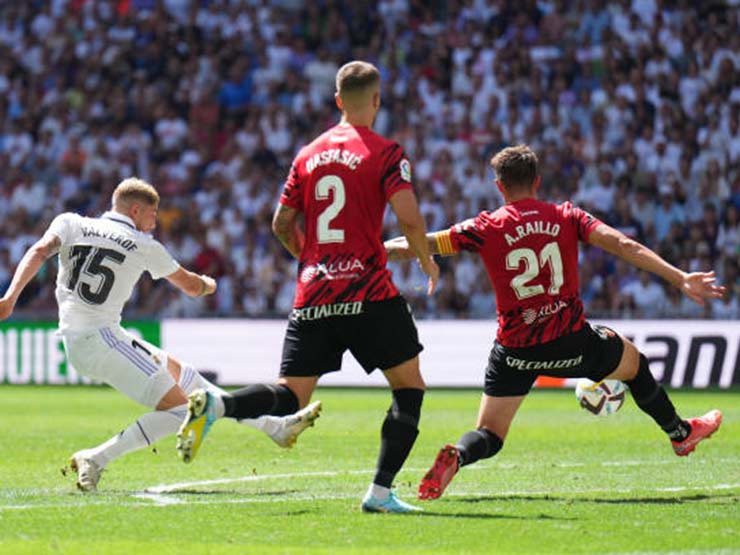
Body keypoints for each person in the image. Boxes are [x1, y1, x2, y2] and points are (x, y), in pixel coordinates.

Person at [384, 145, 724, 501]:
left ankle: (460, 455)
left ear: (500, 187)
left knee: (490, 433)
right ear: (538, 181)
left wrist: (372, 251)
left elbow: (420, 243)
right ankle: (679, 432)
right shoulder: (566, 216)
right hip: (571, 341)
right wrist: (679, 276)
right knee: (634, 363)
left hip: (514, 351)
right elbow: (624, 245)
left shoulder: (484, 226)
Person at [177, 60, 440, 514]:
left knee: (291, 396)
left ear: (338, 101)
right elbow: (409, 216)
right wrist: (425, 259)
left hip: (314, 293)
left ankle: (219, 407)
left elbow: (281, 222)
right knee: (408, 387)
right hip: (368, 291)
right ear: (376, 100)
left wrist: (312, 260)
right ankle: (379, 492)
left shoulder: (306, 154)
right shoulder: (386, 152)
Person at [0, 178, 320, 492]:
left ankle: (274, 427)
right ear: (136, 210)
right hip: (101, 341)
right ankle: (95, 458)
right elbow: (192, 287)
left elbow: (40, 250)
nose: (155, 222)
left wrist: (11, 298)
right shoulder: (143, 245)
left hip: (93, 337)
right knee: (183, 410)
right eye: (153, 214)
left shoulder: (71, 222)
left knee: (188, 378)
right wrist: (210, 283)